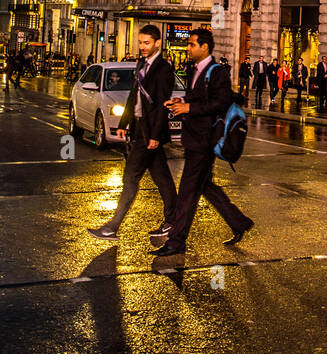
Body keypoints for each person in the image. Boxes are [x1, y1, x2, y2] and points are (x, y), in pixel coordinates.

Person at [152, 29, 254, 255]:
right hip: (194, 138)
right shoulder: (194, 69)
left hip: (205, 140)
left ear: (204, 47)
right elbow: (199, 97)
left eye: (191, 44)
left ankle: (176, 242)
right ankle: (239, 222)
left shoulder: (217, 72)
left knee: (187, 191)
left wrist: (190, 108)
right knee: (205, 186)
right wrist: (182, 100)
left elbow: (221, 101)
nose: (188, 48)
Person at [87, 25, 177, 240]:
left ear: (157, 43)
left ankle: (112, 227)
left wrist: (155, 136)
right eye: (140, 42)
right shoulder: (141, 65)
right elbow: (133, 96)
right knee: (162, 178)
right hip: (138, 129)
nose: (142, 47)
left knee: (130, 178)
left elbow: (161, 105)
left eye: (147, 43)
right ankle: (174, 220)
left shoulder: (163, 69)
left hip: (149, 133)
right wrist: (124, 122)